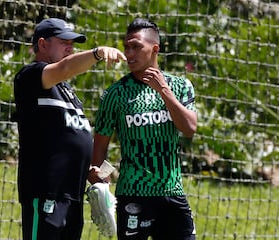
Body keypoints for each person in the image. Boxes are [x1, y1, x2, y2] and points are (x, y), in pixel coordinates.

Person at [13, 18, 126, 240]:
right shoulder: (31, 76)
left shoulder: (68, 92)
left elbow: (69, 139)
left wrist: (93, 172)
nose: (70, 48)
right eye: (64, 42)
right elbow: (64, 67)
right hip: (46, 193)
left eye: (72, 43)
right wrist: (98, 52)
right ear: (43, 44)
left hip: (72, 197)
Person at [88, 18, 197, 240]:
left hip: (171, 193)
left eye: (136, 46)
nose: (129, 53)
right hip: (133, 194)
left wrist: (164, 91)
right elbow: (99, 149)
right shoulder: (115, 94)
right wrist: (99, 182)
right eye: (126, 47)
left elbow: (189, 128)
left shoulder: (180, 86)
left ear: (155, 49)